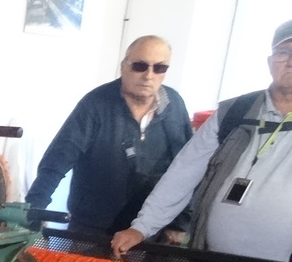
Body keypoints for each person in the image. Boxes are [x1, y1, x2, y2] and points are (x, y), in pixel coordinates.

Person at [112, 15, 292, 262]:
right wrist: (142, 227)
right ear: (270, 62)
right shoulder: (234, 112)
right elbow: (182, 173)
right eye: (284, 52)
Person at [25, 36, 193, 237]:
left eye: (159, 68)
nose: (149, 75)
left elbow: (188, 167)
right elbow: (57, 161)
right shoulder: (95, 105)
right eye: (140, 66)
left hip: (152, 232)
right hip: (93, 231)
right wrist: (33, 209)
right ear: (123, 67)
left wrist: (180, 223)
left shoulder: (175, 106)